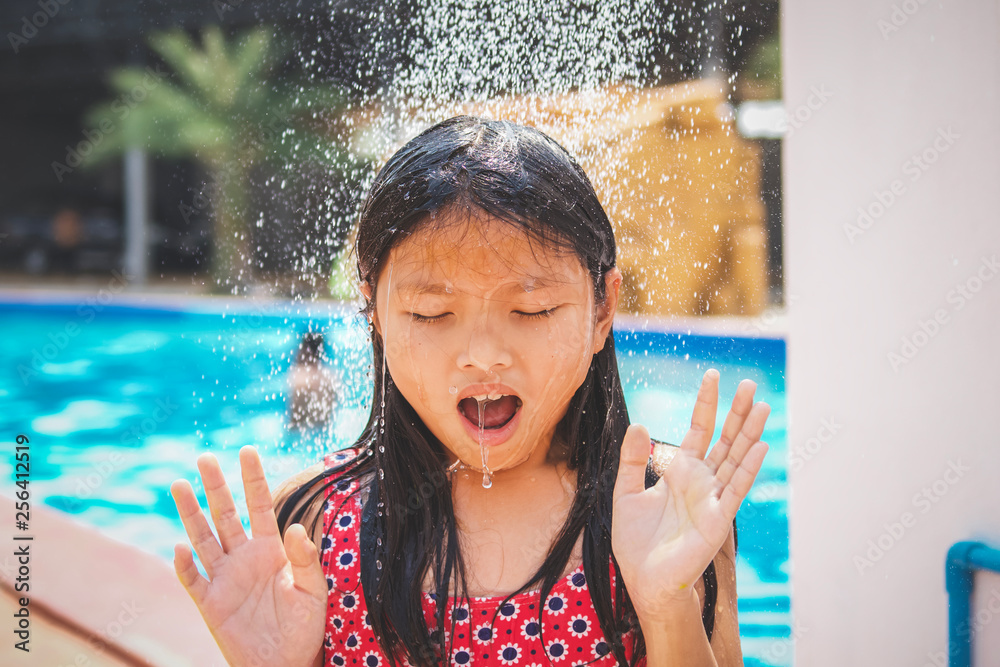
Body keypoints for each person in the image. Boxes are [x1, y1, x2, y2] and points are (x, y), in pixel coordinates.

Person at [169, 116, 771, 667]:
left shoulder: (660, 504)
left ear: (601, 310)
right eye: (432, 313)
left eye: (532, 309)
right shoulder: (315, 526)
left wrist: (667, 612)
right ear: (372, 311)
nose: (484, 353)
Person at [287, 331, 340, 430]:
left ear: (304, 351)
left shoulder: (299, 377)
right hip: (323, 430)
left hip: (298, 432)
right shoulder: (330, 377)